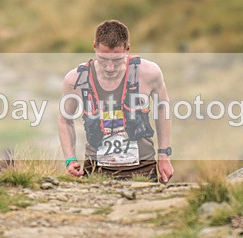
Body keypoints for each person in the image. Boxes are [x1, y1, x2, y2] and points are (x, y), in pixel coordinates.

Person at [58, 20, 174, 183]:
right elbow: (64, 120)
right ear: (94, 47)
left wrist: (164, 155)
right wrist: (70, 159)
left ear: (127, 49)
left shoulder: (149, 73)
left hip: (143, 170)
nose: (110, 67)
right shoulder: (75, 79)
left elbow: (163, 110)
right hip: (96, 172)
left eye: (117, 60)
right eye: (104, 59)